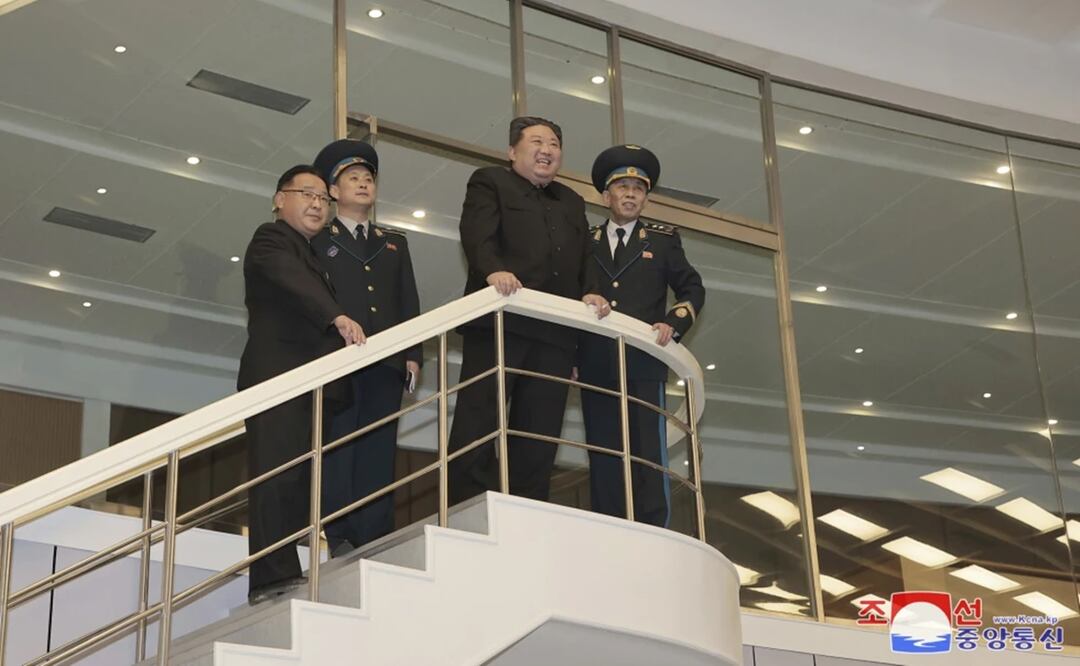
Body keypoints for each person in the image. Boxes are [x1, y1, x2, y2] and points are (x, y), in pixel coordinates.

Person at [448, 116, 610, 504]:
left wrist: (592, 292)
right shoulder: (490, 181)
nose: (547, 149)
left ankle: (528, 505)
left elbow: (585, 256)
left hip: (554, 332)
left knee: (540, 427)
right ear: (512, 151)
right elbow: (475, 233)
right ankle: (466, 504)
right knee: (480, 416)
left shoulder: (570, 200)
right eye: (537, 141)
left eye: (554, 143)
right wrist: (493, 270)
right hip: (500, 321)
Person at [237, 165, 365, 603]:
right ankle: (272, 579)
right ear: (278, 199)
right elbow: (291, 284)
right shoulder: (270, 240)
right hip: (278, 378)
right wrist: (336, 315)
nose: (316, 203)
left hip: (312, 385)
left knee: (298, 482)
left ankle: (285, 572)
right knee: (276, 479)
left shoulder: (312, 253)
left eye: (322, 198)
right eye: (305, 194)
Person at [577, 144, 705, 527]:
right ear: (606, 196)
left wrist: (674, 323)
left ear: (646, 199)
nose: (631, 194)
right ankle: (610, 526)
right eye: (622, 187)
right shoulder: (586, 240)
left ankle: (653, 527)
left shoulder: (663, 240)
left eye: (638, 188)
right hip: (596, 361)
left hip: (644, 363)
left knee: (647, 450)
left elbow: (692, 289)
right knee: (604, 450)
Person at [311, 139, 422, 556]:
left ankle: (373, 531)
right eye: (352, 178)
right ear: (333, 191)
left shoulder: (394, 242)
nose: (363, 184)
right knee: (342, 444)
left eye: (368, 178)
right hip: (341, 359)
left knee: (379, 446)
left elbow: (408, 300)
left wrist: (414, 354)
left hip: (388, 359)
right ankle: (338, 529)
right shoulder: (319, 240)